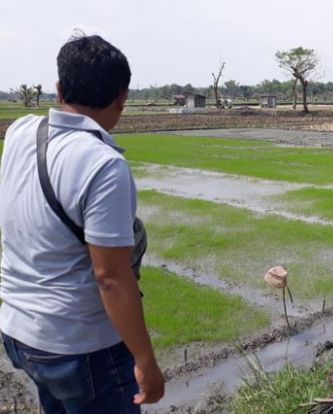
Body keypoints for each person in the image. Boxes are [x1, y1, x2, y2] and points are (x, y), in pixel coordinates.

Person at [0, 34, 164, 413]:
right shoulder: (104, 165)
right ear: (122, 96)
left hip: (19, 332)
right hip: (80, 348)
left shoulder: (21, 132)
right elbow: (110, 277)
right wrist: (145, 361)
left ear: (58, 88)